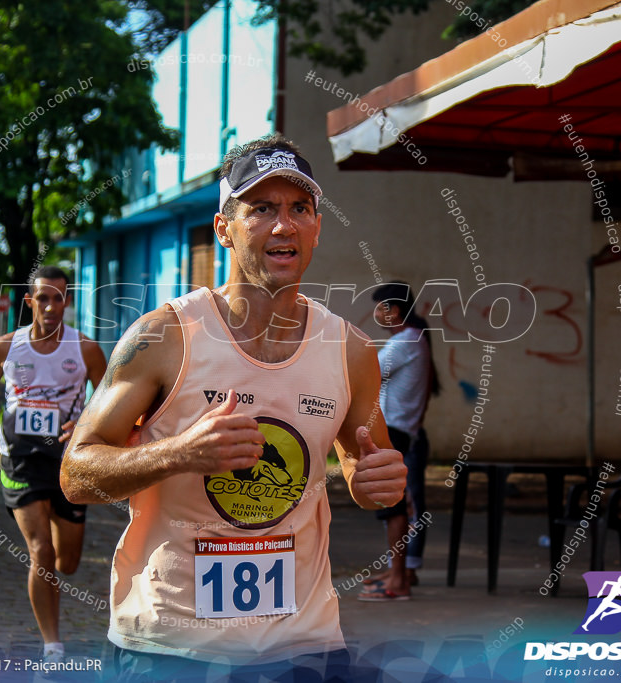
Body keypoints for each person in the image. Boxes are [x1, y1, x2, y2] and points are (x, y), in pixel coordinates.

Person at [61, 134, 407, 681]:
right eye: (261, 209)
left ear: (316, 226)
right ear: (224, 228)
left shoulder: (351, 350)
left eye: (299, 209)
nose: (283, 225)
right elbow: (77, 474)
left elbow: (367, 468)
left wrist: (374, 482)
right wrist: (179, 453)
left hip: (304, 647)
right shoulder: (163, 336)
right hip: (169, 650)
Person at [0, 265, 106, 664]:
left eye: (59, 298)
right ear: (29, 301)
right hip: (20, 459)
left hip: (68, 461)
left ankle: (54, 518)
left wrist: (85, 422)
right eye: (43, 298)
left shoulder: (85, 349)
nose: (51, 306)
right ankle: (53, 645)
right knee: (41, 552)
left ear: (68, 301)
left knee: (67, 563)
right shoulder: (4, 347)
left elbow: (109, 399)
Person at [358, 281, 440, 601]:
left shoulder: (405, 342)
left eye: (380, 308)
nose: (376, 314)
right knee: (400, 506)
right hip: (402, 433)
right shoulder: (415, 340)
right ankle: (402, 571)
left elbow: (365, 375)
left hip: (393, 434)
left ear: (393, 310)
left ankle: (399, 581)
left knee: (394, 507)